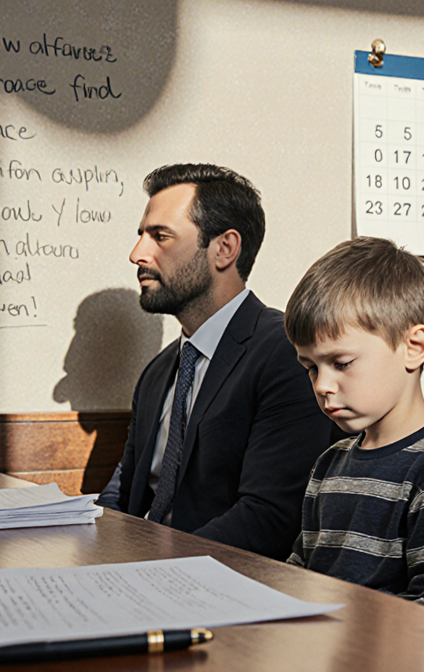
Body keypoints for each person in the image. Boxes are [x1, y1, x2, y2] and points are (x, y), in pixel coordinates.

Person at [96, 163, 335, 559]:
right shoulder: (157, 373)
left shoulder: (286, 354)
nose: (137, 254)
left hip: (227, 588)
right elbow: (122, 494)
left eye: (161, 236)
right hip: (140, 576)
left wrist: (152, 563)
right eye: (141, 236)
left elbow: (269, 518)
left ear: (225, 248)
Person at [283, 237, 424, 621]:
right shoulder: (329, 464)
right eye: (311, 368)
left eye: (342, 362)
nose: (321, 385)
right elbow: (300, 576)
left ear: (413, 346)